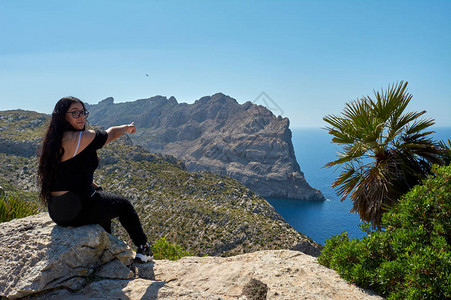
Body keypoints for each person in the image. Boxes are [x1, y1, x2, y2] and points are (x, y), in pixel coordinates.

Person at [38, 96, 152, 263]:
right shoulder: (82, 138)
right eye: (75, 113)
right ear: (63, 116)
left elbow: (69, 172)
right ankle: (144, 248)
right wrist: (127, 127)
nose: (82, 116)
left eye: (83, 112)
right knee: (123, 205)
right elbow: (111, 133)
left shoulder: (52, 142)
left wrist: (93, 185)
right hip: (76, 210)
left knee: (100, 198)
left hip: (57, 212)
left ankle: (106, 246)